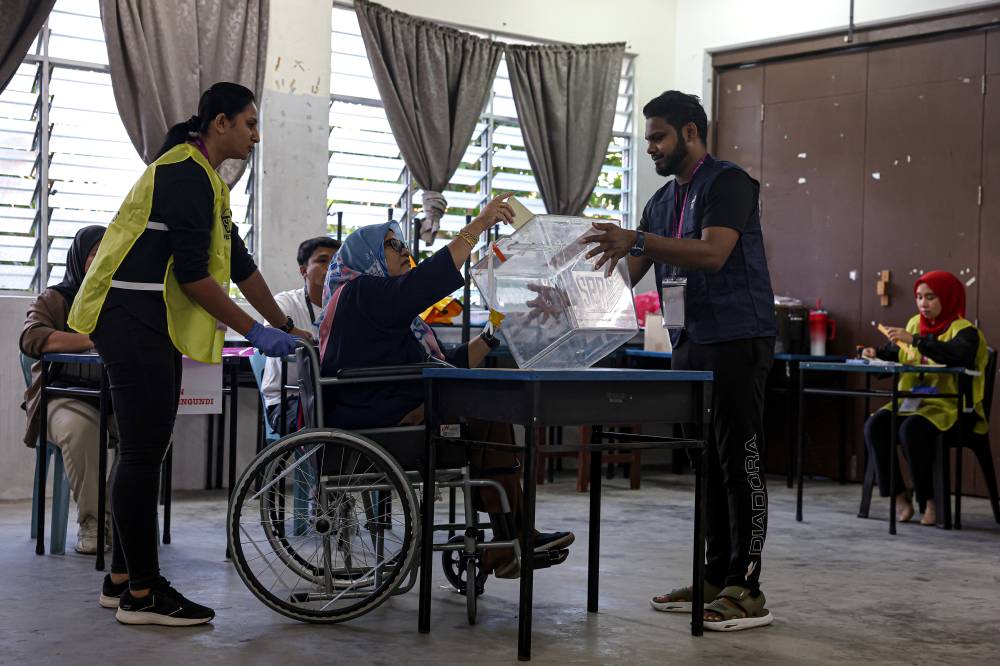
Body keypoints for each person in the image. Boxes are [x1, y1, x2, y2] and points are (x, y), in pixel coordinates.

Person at [67, 82, 310, 627]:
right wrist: (256, 331)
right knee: (141, 453)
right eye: (249, 123)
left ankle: (124, 579)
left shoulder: (209, 182)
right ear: (218, 123)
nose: (255, 135)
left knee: (141, 449)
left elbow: (240, 263)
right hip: (129, 318)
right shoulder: (183, 173)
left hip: (145, 321)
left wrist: (285, 324)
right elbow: (197, 278)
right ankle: (144, 595)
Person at [586, 90, 776, 631]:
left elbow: (715, 253)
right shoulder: (663, 202)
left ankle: (749, 587)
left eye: (658, 137)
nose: (651, 148)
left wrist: (639, 238)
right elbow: (627, 275)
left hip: (738, 339)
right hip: (689, 343)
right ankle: (716, 576)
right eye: (647, 138)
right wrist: (567, 299)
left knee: (741, 461)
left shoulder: (729, 184)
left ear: (690, 132)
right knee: (707, 464)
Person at [319, 195, 574, 577]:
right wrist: (477, 226)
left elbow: (446, 364)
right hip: (379, 426)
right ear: (367, 256)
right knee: (488, 412)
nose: (405, 252)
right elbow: (423, 284)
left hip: (390, 413)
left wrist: (493, 331)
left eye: (405, 245)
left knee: (487, 408)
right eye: (393, 245)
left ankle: (510, 541)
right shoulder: (360, 294)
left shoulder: (383, 313)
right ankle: (510, 541)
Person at [862, 270, 990, 526]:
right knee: (875, 425)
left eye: (931, 297)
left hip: (951, 406)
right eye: (919, 297)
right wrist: (873, 353)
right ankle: (900, 498)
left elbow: (955, 355)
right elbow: (894, 352)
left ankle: (929, 501)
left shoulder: (965, 331)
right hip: (914, 401)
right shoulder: (912, 324)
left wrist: (917, 341)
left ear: (948, 298)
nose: (923, 303)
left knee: (911, 431)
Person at [20, 226, 110, 554]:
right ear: (77, 256)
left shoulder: (123, 299)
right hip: (64, 397)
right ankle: (93, 524)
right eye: (91, 251)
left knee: (153, 430)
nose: (98, 258)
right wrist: (93, 339)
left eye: (107, 250)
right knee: (81, 430)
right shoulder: (55, 298)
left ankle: (118, 516)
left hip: (115, 397)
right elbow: (32, 338)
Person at [261, 236, 341, 435]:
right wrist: (293, 332)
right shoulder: (285, 303)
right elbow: (269, 332)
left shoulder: (348, 305)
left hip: (333, 394)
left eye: (337, 261)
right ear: (304, 270)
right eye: (323, 260)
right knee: (336, 419)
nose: (332, 267)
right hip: (288, 400)